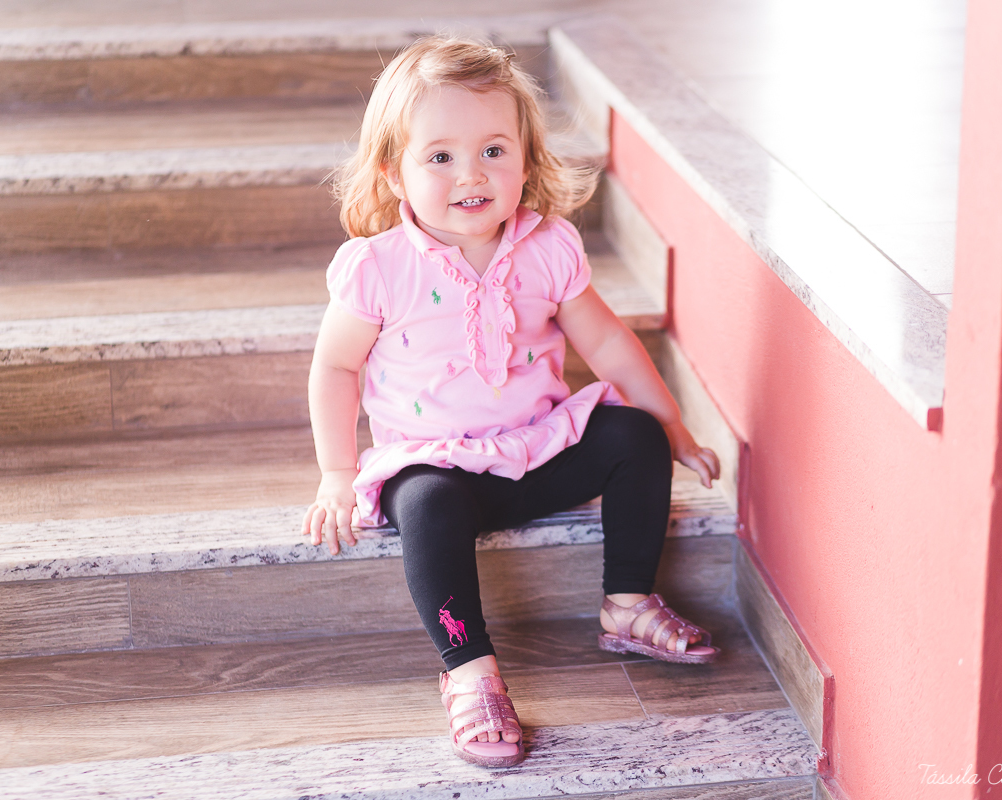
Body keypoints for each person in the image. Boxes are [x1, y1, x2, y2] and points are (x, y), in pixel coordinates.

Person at [304, 36, 721, 769]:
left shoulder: (547, 247)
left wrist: (675, 426)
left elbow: (614, 345)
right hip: (440, 470)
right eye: (440, 157)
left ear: (527, 158)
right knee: (426, 505)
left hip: (538, 450)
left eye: (494, 149)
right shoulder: (378, 269)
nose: (472, 174)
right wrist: (339, 472)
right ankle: (469, 671)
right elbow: (336, 367)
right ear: (391, 171)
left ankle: (625, 603)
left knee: (634, 437)